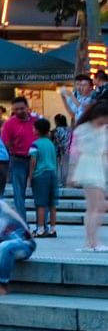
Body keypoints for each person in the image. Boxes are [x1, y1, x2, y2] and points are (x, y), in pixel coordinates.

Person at [67, 97, 108, 252]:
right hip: (88, 166)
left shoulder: (103, 130)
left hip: (98, 166)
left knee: (95, 207)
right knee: (96, 207)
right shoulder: (83, 129)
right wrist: (71, 173)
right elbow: (74, 153)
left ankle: (90, 242)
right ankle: (92, 242)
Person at [1, 97, 38, 220]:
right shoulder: (9, 124)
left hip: (36, 159)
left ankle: (41, 225)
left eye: (22, 109)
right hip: (18, 159)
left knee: (40, 192)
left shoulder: (36, 121)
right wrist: (14, 147)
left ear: (28, 108)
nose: (19, 111)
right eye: (16, 109)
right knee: (18, 193)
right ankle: (23, 223)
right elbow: (5, 142)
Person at [30, 116, 60, 239]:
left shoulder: (35, 144)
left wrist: (30, 176)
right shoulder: (51, 144)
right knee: (52, 203)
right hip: (52, 173)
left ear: (37, 130)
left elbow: (33, 160)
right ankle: (53, 229)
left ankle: (40, 229)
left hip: (40, 175)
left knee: (41, 203)